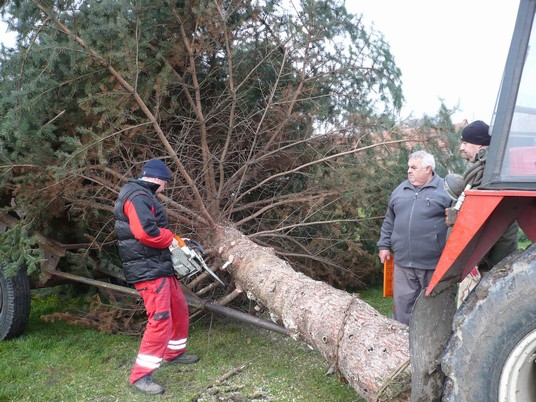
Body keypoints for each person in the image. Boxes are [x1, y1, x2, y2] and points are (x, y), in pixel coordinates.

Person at [114, 158, 199, 395]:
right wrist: (171, 238)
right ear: (157, 178)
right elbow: (146, 233)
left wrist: (177, 242)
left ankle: (174, 353)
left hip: (159, 266)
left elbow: (152, 230)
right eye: (165, 183)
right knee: (160, 319)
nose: (165, 188)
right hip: (149, 270)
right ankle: (141, 376)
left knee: (179, 309)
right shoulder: (137, 196)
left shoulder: (143, 195)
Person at [377, 150, 452, 325]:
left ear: (428, 169)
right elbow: (389, 219)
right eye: (408, 167)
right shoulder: (400, 190)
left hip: (433, 265)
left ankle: (434, 346)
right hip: (403, 264)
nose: (409, 171)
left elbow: (458, 225)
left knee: (435, 309)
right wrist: (384, 246)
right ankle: (401, 343)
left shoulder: (445, 191)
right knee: (403, 308)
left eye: (413, 167)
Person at [459, 120, 519, 269]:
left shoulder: (495, 171)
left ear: (479, 144)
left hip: (497, 249)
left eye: (465, 143)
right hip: (488, 247)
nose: (462, 147)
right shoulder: (487, 169)